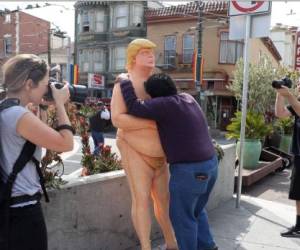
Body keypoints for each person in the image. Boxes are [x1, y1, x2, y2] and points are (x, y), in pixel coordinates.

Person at [118, 73, 219, 250]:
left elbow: (134, 106)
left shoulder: (165, 105)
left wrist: (125, 81)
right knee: (195, 211)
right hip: (210, 165)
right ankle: (208, 246)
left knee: (182, 217)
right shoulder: (187, 98)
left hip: (190, 171)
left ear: (154, 95)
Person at [0, 54, 74, 250]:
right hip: (22, 213)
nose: (47, 88)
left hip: (9, 208)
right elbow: (66, 144)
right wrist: (59, 104)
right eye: (45, 83)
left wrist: (41, 105)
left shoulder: (6, 110)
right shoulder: (19, 116)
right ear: (29, 84)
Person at [111, 39, 177, 250]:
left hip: (160, 155)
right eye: (145, 52)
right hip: (135, 150)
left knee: (164, 201)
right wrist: (151, 124)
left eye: (151, 52)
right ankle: (146, 246)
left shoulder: (158, 82)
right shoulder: (124, 83)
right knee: (141, 199)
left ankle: (171, 242)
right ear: (134, 57)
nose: (151, 56)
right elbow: (117, 119)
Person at [275, 80, 300, 238]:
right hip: (299, 155)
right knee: (298, 194)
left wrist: (289, 94)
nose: (298, 85)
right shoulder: (296, 104)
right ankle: (299, 226)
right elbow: (280, 114)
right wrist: (279, 94)